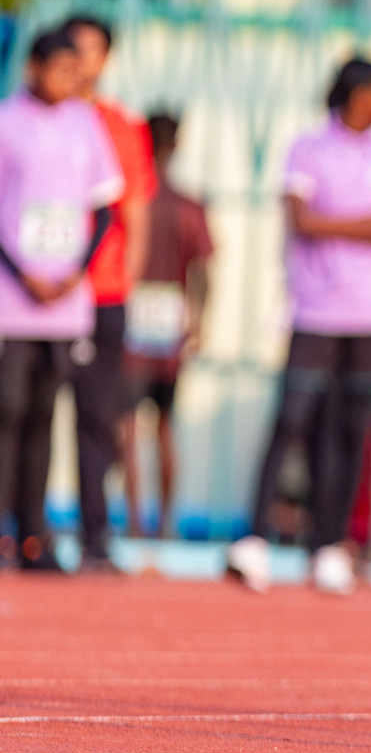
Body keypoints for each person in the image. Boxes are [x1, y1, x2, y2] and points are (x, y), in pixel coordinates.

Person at [227, 58, 371, 595]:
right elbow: (300, 218)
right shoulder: (307, 147)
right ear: (360, 96)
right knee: (291, 420)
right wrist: (367, 224)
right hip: (314, 312)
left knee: (350, 431)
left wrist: (333, 222)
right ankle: (254, 540)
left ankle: (328, 545)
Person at [0, 29, 124, 571]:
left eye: (78, 74)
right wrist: (22, 272)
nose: (70, 83)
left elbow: (103, 209)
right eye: (60, 72)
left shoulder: (86, 125)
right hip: (12, 297)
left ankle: (33, 536)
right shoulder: (6, 121)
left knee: (44, 417)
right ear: (34, 67)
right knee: (6, 411)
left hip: (64, 303)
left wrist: (76, 271)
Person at [64, 14, 158, 571]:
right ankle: (24, 532)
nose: (81, 58)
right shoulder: (30, 119)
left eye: (93, 48)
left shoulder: (119, 126)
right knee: (21, 415)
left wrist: (128, 282)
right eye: (72, 47)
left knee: (98, 418)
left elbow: (137, 213)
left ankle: (95, 535)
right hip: (35, 299)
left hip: (101, 294)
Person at [122, 113, 214, 539]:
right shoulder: (187, 204)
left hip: (131, 314)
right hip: (171, 317)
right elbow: (203, 271)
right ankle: (165, 525)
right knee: (164, 423)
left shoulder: (133, 199)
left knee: (125, 424)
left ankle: (137, 520)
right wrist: (200, 321)